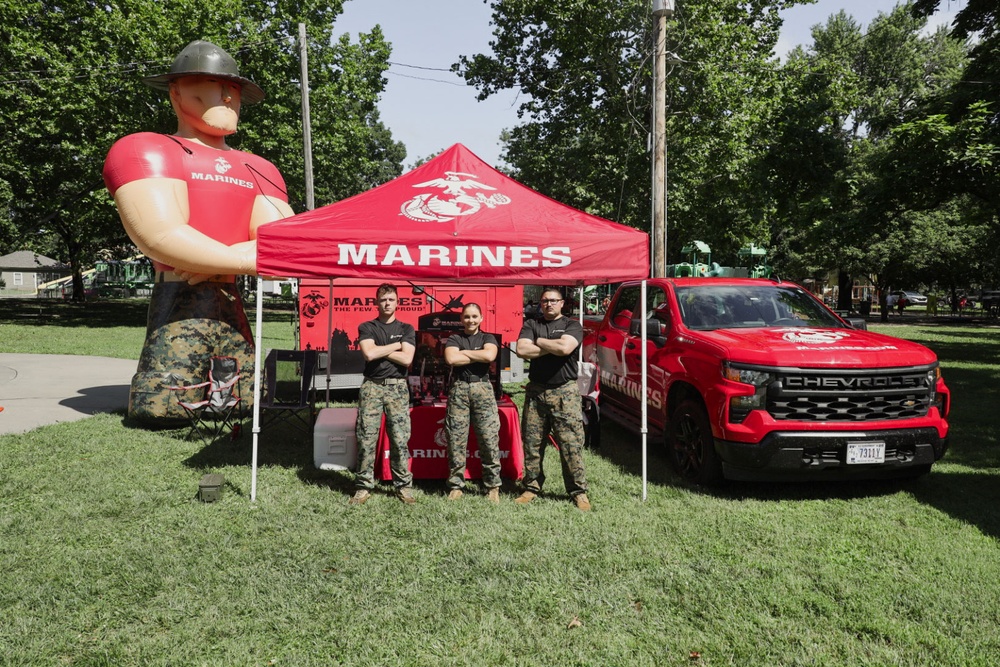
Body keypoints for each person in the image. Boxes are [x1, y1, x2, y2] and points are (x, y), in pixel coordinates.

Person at [103, 40, 293, 422]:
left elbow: (284, 245)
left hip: (232, 297)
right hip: (177, 297)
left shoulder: (259, 169)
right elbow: (161, 233)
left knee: (244, 401)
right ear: (177, 91)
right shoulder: (147, 149)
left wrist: (216, 263)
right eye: (212, 85)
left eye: (233, 89)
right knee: (165, 405)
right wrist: (243, 258)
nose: (226, 97)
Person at [513, 288, 591, 511]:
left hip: (564, 392)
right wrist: (552, 345)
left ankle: (578, 491)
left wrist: (539, 342)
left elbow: (566, 347)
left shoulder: (571, 325)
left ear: (562, 303)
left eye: (553, 301)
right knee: (532, 443)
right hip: (536, 392)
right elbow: (521, 350)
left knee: (570, 444)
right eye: (545, 301)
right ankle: (531, 487)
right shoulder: (531, 324)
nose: (548, 304)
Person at [350, 284, 417, 505]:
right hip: (372, 387)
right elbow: (369, 354)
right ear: (376, 302)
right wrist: (396, 346)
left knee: (399, 438)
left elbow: (407, 359)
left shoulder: (407, 329)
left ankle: (403, 486)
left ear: (398, 302)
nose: (387, 303)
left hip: (397, 387)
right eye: (383, 300)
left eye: (391, 299)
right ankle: (363, 486)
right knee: (366, 438)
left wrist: (382, 348)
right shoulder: (367, 326)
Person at [443, 303, 502, 503]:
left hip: (482, 390)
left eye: (475, 316)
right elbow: (451, 358)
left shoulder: (488, 338)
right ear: (461, 319)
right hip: (459, 389)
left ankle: (492, 486)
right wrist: (476, 356)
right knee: (456, 439)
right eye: (467, 317)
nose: (471, 320)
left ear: (481, 318)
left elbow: (490, 355)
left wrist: (464, 354)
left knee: (488, 438)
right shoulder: (454, 338)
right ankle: (456, 485)